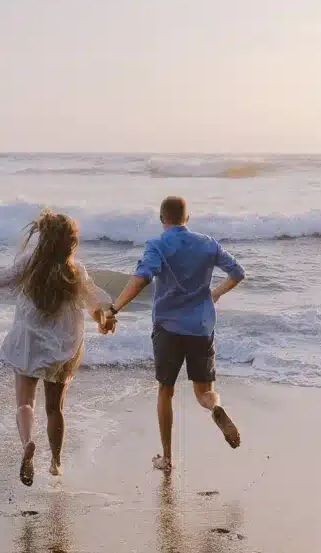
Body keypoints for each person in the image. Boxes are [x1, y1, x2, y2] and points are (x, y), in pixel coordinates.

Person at [0, 209, 111, 486]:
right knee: (55, 408)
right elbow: (94, 304)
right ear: (70, 242)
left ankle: (27, 442)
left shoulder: (28, 263)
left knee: (25, 401)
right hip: (63, 345)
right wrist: (103, 321)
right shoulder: (76, 270)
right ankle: (56, 462)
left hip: (29, 341)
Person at [102, 196, 245, 473]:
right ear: (187, 219)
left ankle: (167, 458)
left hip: (168, 328)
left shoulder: (157, 244)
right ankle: (216, 408)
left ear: (161, 219)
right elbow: (237, 273)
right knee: (205, 392)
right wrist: (213, 293)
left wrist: (114, 308)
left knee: (166, 391)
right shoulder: (207, 243)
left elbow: (142, 278)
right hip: (201, 327)